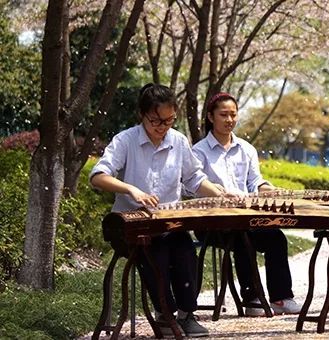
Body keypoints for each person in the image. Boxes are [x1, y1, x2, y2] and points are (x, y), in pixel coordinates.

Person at [90, 83, 227, 337]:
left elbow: (195, 178)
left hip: (168, 222)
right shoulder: (126, 140)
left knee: (186, 252)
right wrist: (131, 190)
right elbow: (98, 176)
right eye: (156, 121)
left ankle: (186, 314)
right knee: (158, 254)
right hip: (132, 226)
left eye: (169, 120)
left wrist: (218, 192)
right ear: (142, 115)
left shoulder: (178, 141)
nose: (163, 127)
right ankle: (165, 314)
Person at [192, 92, 301, 316]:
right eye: (224, 114)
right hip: (210, 222)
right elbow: (190, 187)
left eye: (233, 114)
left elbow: (255, 183)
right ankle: (251, 299)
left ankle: (281, 298)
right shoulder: (199, 151)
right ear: (211, 117)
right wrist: (217, 194)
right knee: (242, 238)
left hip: (246, 217)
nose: (229, 119)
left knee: (275, 237)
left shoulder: (246, 149)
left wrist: (269, 190)